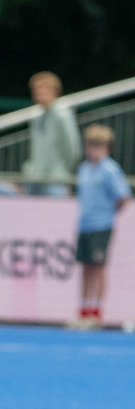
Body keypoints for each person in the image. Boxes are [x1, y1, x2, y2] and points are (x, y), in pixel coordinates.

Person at [67, 124, 130, 329]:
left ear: (107, 148)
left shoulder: (110, 170)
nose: (94, 150)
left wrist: (108, 215)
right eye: (91, 146)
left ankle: (96, 312)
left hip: (102, 225)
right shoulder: (84, 168)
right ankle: (83, 310)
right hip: (85, 225)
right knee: (85, 268)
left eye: (99, 146)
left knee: (98, 268)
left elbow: (122, 197)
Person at [23, 72, 81, 196]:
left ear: (54, 91)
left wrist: (63, 172)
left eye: (42, 89)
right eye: (35, 89)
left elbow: (73, 148)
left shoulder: (63, 115)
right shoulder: (37, 117)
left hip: (55, 180)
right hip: (34, 179)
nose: (38, 93)